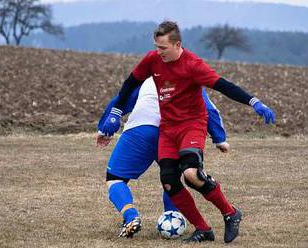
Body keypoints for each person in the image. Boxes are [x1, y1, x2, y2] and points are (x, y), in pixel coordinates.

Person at [101, 21, 276, 243]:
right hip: (167, 129)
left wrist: (254, 102)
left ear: (177, 44)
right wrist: (116, 111)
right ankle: (203, 229)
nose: (158, 52)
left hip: (191, 125)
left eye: (163, 48)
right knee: (169, 181)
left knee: (191, 174)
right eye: (156, 46)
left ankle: (231, 213)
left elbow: (224, 86)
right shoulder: (152, 60)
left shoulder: (193, 65)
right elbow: (129, 84)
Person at [97, 77, 229, 238]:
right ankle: (172, 215)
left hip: (140, 129)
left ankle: (131, 216)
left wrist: (104, 129)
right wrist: (219, 138)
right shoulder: (189, 78)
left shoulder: (149, 77)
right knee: (172, 178)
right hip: (171, 132)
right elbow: (209, 109)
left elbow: (120, 100)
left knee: (115, 179)